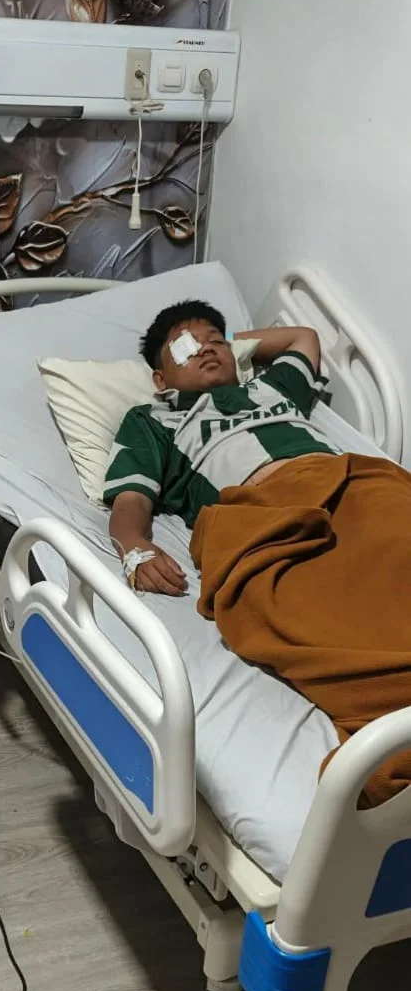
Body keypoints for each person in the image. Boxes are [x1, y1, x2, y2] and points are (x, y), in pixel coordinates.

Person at [104, 299, 411, 805]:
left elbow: (303, 338)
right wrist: (134, 545)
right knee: (305, 605)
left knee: (399, 539)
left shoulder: (270, 388)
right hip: (258, 514)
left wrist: (228, 345)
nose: (206, 349)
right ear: (159, 379)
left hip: (347, 484)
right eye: (186, 346)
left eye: (215, 341)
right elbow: (131, 498)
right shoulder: (153, 419)